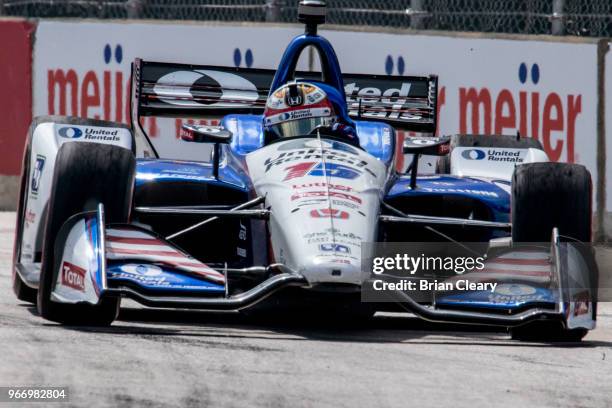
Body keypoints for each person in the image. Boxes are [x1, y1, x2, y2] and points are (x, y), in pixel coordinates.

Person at [262, 81, 359, 146]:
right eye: (287, 130)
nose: (302, 139)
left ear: (332, 121)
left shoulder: (343, 133)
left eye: (306, 125)